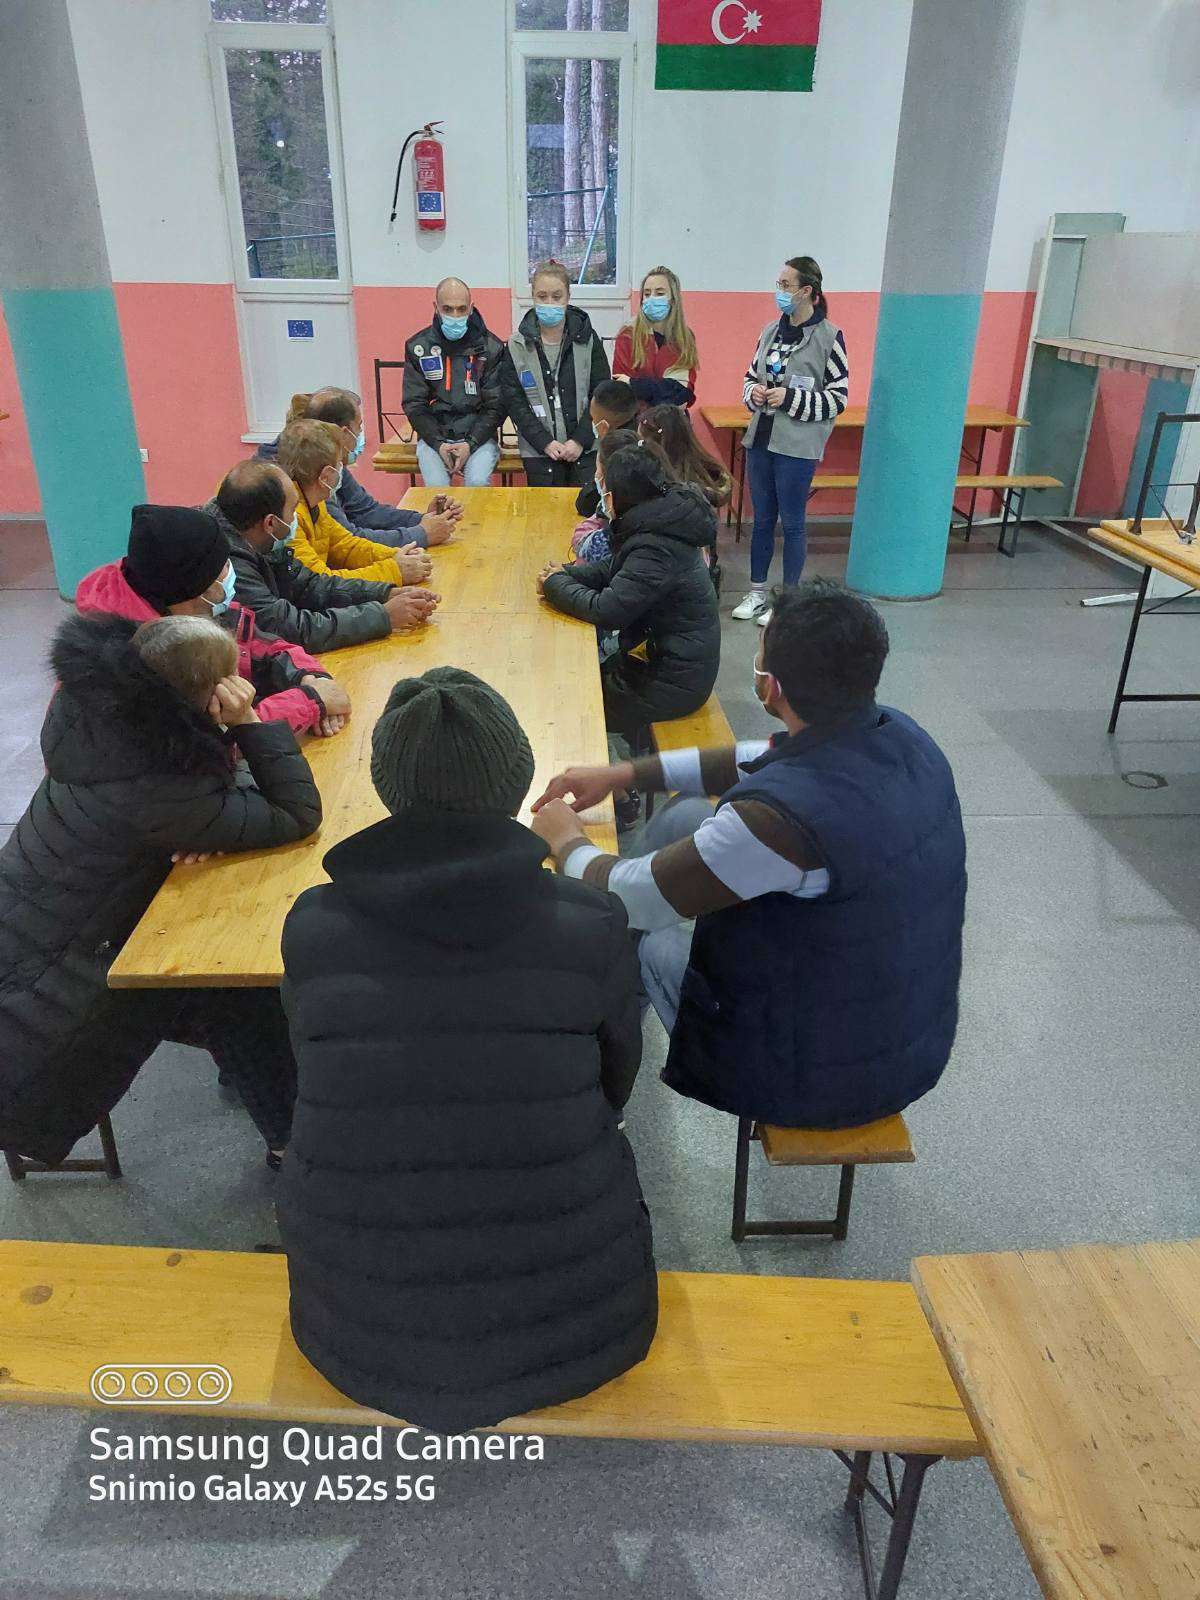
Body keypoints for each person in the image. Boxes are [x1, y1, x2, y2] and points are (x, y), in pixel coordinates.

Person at [277, 667, 656, 1433]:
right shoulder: (589, 921)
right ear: (515, 782)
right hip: (575, 1317)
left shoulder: (312, 925)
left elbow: (312, 1075)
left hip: (361, 1318)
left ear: (388, 787)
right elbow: (617, 1080)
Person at [530, 580, 967, 1132]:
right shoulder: (899, 735)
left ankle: (599, 1087)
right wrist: (621, 775)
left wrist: (567, 839)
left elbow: (637, 897)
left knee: (650, 939)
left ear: (772, 685)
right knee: (688, 816)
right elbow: (754, 758)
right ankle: (603, 996)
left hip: (829, 1077)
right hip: (895, 1031)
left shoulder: (779, 821)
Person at [0, 612, 322, 1170]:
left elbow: (218, 798)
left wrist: (216, 819)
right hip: (53, 1015)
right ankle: (291, 1144)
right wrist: (246, 724)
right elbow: (296, 812)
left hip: (36, 934)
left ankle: (269, 1105)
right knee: (241, 992)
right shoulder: (164, 786)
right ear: (210, 697)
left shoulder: (102, 719)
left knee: (231, 985)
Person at [76, 504, 350, 739]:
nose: (231, 572)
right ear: (196, 587)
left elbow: (265, 646)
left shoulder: (189, 607)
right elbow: (215, 738)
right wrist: (312, 702)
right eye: (224, 566)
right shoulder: (146, 662)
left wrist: (312, 679)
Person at [538, 434, 720, 744]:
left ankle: (605, 772)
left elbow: (607, 610)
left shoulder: (657, 545)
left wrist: (555, 584)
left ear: (613, 497)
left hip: (671, 681)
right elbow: (614, 570)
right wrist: (565, 574)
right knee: (575, 678)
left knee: (569, 702)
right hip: (657, 663)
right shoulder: (658, 521)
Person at [731, 256, 850, 627]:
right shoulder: (770, 331)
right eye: (778, 285)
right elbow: (749, 377)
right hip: (761, 439)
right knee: (762, 520)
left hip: (798, 447)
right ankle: (757, 593)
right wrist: (754, 394)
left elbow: (838, 398)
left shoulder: (830, 337)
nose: (779, 292)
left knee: (793, 522)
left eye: (786, 285)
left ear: (807, 291)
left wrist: (791, 398)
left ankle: (789, 600)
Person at [208, 461, 437, 652]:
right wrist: (383, 616)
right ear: (270, 523)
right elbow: (290, 628)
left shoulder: (260, 537)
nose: (295, 518)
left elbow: (311, 585)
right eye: (292, 510)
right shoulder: (226, 562)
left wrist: (384, 593)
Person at [277, 420, 442, 623]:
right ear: (326, 476)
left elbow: (346, 545)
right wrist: (395, 570)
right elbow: (322, 583)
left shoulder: (315, 502)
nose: (343, 469)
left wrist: (396, 555)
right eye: (340, 464)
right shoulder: (290, 517)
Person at [257, 388, 462, 549]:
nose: (362, 433)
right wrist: (422, 534)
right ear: (344, 432)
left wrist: (423, 519)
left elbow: (365, 511)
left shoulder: (328, 456)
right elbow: (348, 541)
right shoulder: (304, 472)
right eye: (360, 426)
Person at [500, 259, 610, 488]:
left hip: (585, 448)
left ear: (568, 297)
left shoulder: (589, 340)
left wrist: (580, 440)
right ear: (533, 297)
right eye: (542, 296)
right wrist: (545, 442)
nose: (549, 303)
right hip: (539, 451)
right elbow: (515, 402)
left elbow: (601, 394)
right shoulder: (516, 346)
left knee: (584, 507)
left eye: (556, 296)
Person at [402, 278, 507, 487]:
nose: (455, 316)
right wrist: (438, 444)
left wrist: (470, 443)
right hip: (434, 438)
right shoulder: (418, 347)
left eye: (461, 309)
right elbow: (414, 403)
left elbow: (496, 406)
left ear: (471, 308)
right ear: (436, 308)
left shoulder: (491, 348)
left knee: (477, 482)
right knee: (437, 486)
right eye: (448, 309)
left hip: (479, 437)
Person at [638, 404, 731, 588]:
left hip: (667, 575)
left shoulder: (655, 484)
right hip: (700, 574)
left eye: (641, 442)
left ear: (654, 444)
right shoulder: (706, 474)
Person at [613, 267, 698, 409]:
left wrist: (636, 385)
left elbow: (683, 394)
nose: (651, 298)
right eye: (646, 294)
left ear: (673, 300)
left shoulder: (684, 338)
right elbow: (622, 390)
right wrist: (664, 388)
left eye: (659, 293)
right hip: (636, 418)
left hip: (672, 418)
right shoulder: (628, 335)